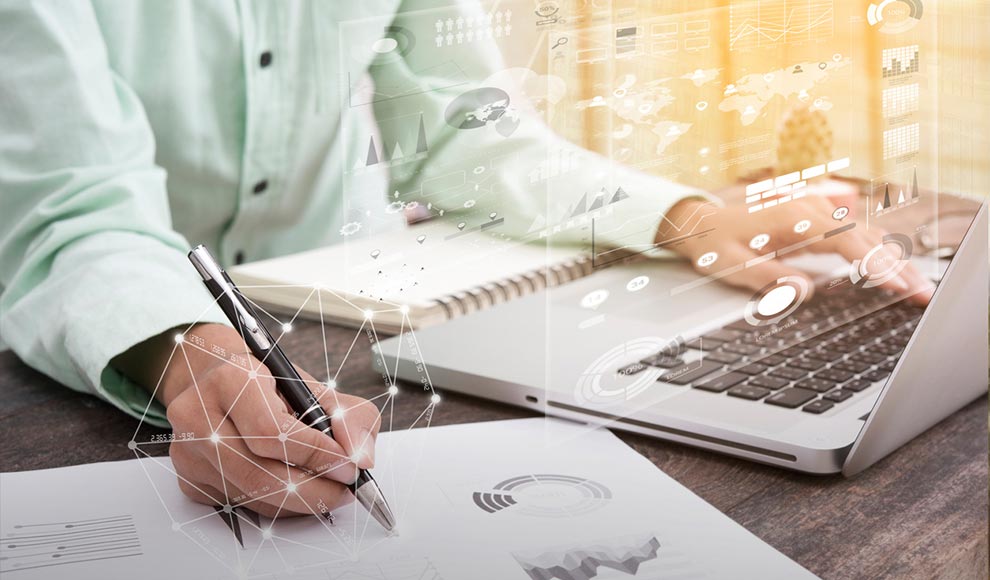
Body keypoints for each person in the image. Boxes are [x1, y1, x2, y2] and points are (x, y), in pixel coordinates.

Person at [0, 1, 931, 519]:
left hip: (342, 310)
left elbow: (463, 134)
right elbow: (72, 204)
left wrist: (682, 216)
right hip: (101, 337)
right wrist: (183, 348)